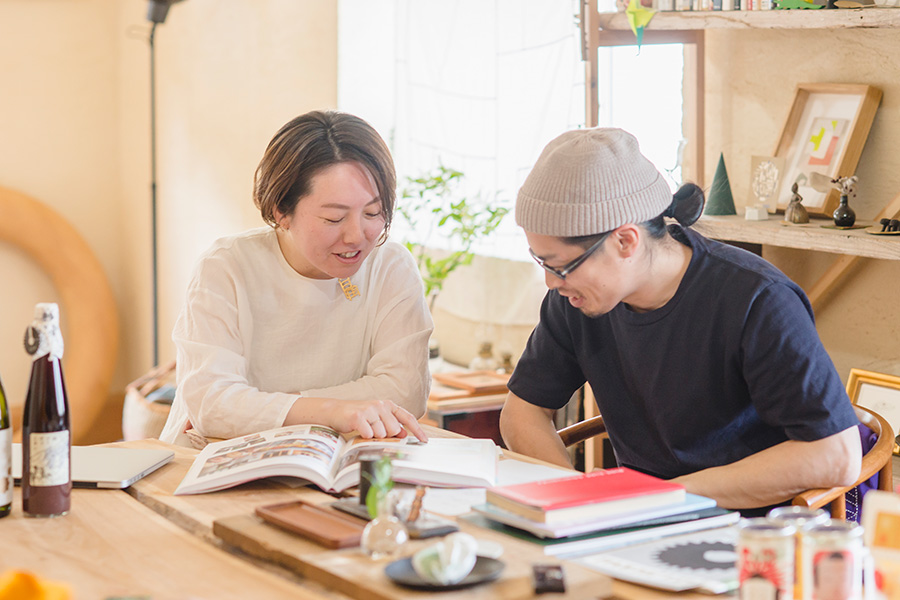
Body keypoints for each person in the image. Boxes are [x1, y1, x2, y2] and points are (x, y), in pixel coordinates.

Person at [499, 127, 861, 512]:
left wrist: (661, 500)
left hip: (755, 533)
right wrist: (576, 502)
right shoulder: (577, 300)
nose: (551, 282)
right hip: (640, 520)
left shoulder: (757, 299)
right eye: (541, 262)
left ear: (625, 241)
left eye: (560, 266)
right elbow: (522, 411)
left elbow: (836, 454)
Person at [160, 110, 432, 447]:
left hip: (333, 455)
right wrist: (335, 410)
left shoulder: (391, 266)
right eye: (334, 218)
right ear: (280, 211)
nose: (356, 236)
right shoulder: (227, 266)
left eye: (373, 213)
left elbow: (406, 391)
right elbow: (211, 404)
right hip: (213, 457)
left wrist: (272, 405)